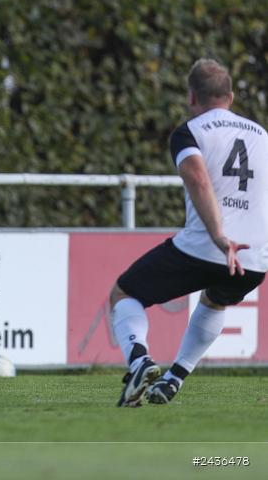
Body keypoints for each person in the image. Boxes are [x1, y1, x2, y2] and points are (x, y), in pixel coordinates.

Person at [110, 59, 268, 407]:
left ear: (191, 96)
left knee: (125, 293)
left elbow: (197, 178)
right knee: (216, 299)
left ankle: (139, 362)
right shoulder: (263, 136)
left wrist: (218, 235)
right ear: (231, 96)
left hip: (208, 246)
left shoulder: (190, 131)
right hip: (254, 257)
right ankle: (173, 379)